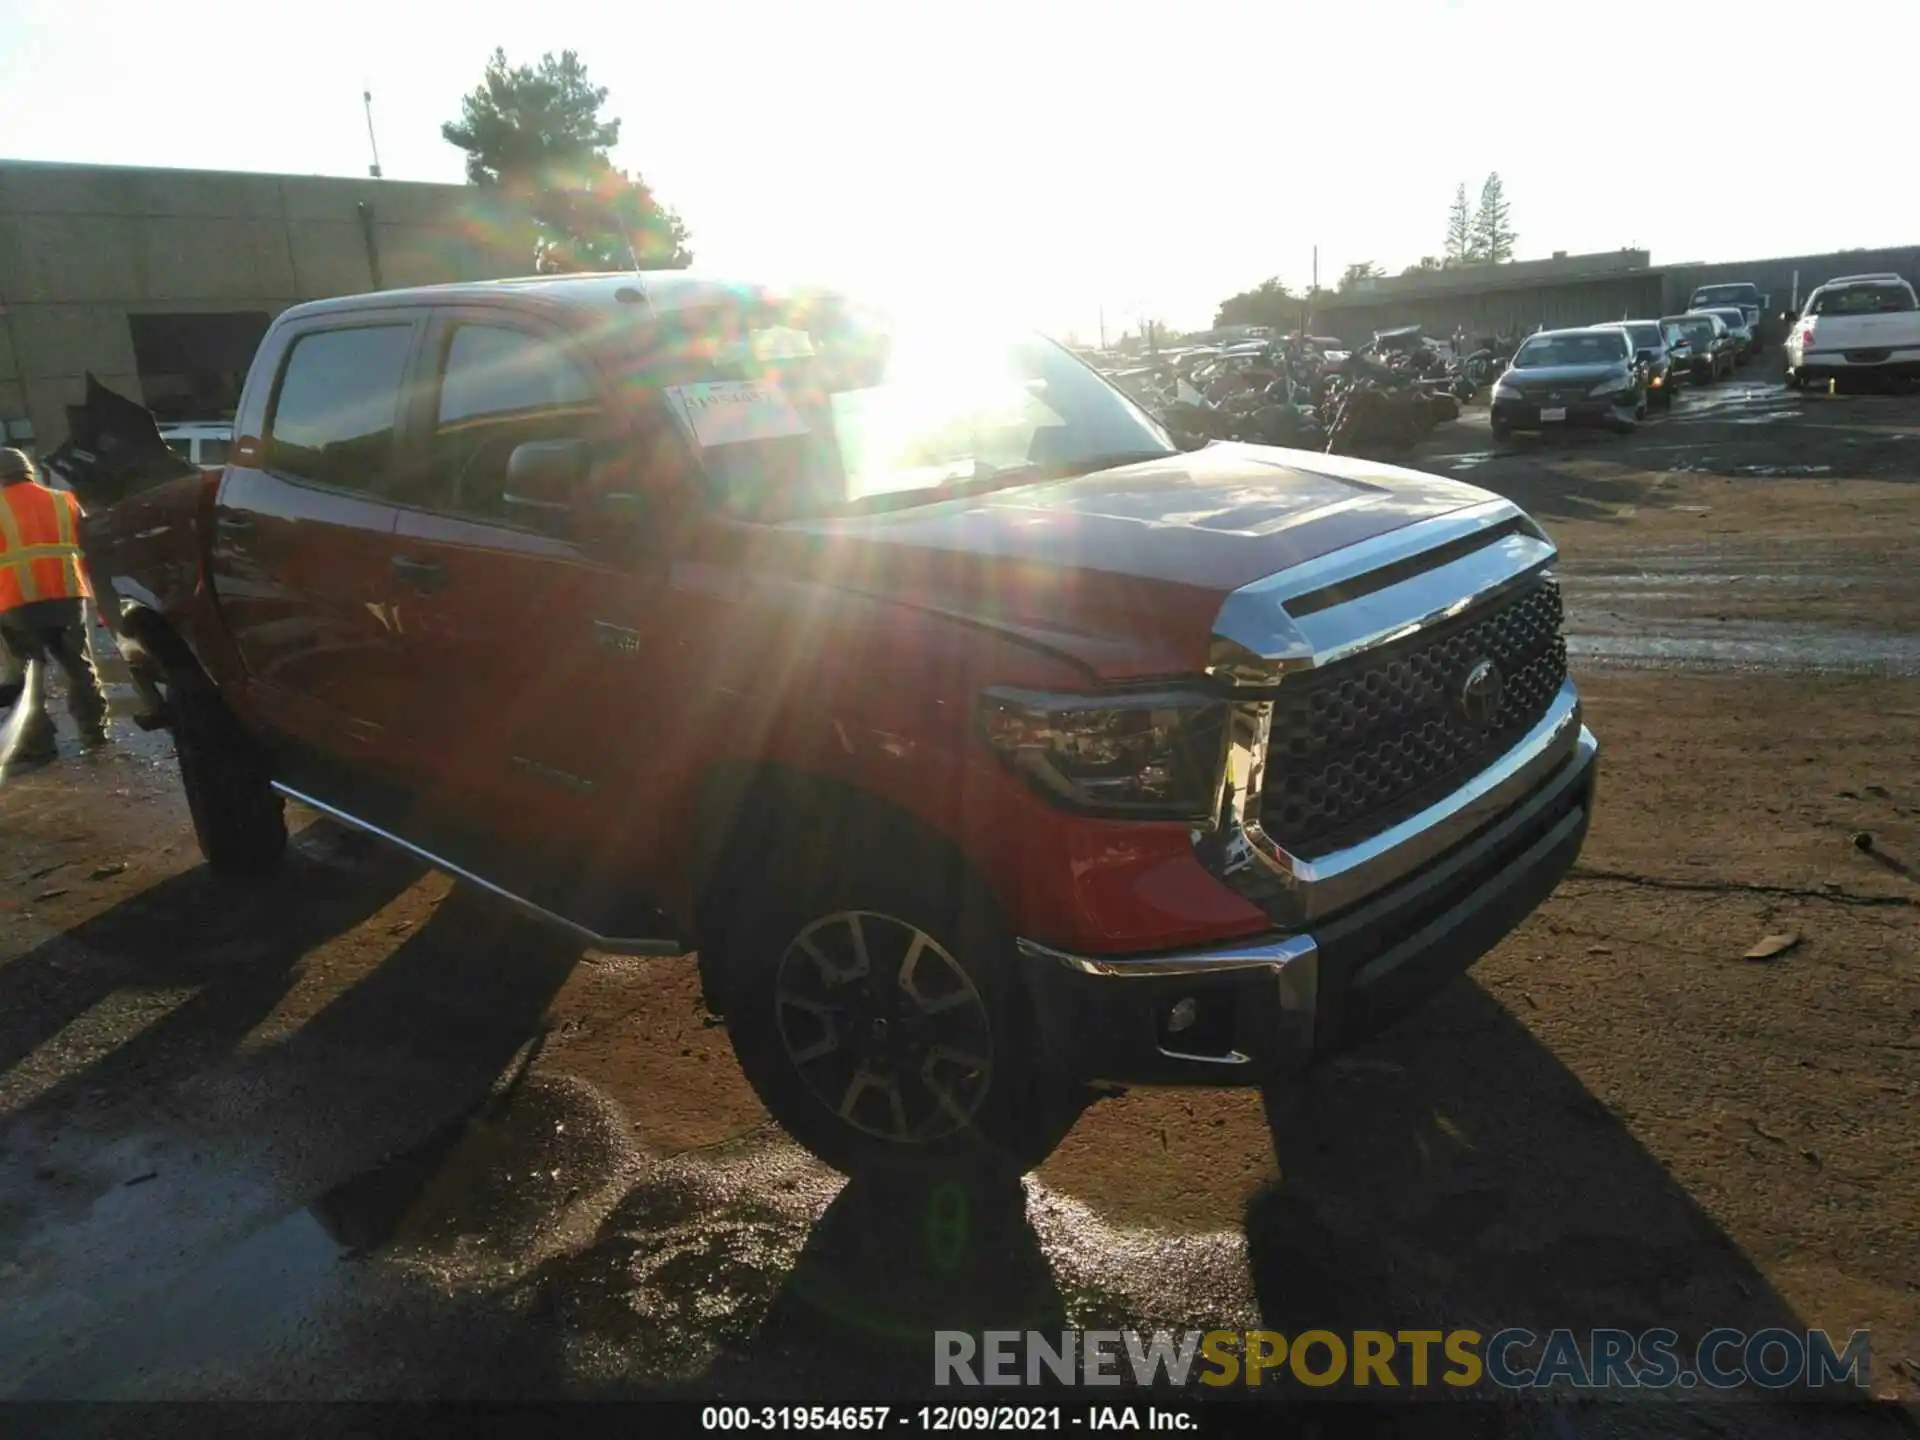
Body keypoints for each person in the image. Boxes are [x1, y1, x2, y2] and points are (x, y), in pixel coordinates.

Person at [0, 446, 109, 763]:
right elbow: (92, 547)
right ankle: (94, 734)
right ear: (29, 471)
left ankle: (38, 744)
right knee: (79, 667)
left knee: (28, 674)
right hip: (67, 596)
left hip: (15, 603)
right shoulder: (65, 501)